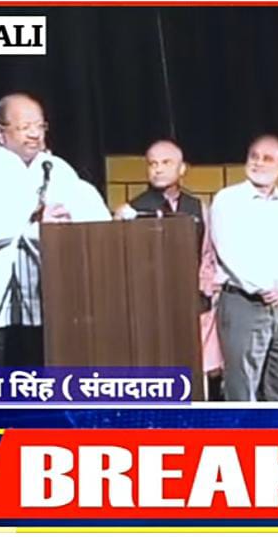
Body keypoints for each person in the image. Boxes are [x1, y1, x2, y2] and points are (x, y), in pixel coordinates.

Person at [0, 93, 110, 367]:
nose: (35, 134)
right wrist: (29, 222)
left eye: (40, 126)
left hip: (59, 309)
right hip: (3, 312)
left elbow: (96, 222)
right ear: (0, 133)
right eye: (25, 127)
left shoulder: (58, 169)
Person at [208, 134, 278, 401]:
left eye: (267, 159)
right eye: (254, 157)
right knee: (242, 385)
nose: (258, 163)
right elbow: (228, 250)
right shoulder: (228, 200)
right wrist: (263, 286)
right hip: (244, 302)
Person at [115, 139, 222, 383]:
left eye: (166, 163)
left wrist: (206, 290)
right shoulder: (132, 210)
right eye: (153, 164)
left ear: (181, 168)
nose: (158, 169)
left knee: (194, 369)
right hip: (148, 303)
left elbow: (207, 253)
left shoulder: (197, 207)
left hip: (190, 301)